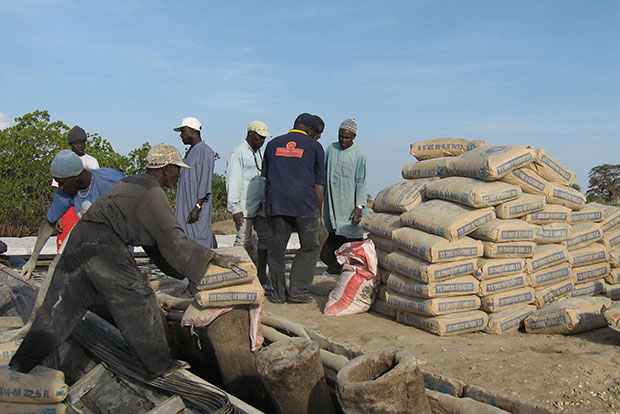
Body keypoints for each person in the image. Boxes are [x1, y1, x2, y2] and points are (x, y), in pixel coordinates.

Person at [9, 144, 238, 379]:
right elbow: (172, 237)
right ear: (167, 169)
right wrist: (213, 257)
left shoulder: (133, 181)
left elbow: (152, 237)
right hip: (103, 245)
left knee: (57, 308)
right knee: (137, 296)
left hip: (80, 240)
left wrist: (179, 268)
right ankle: (160, 365)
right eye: (177, 170)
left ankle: (19, 365)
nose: (179, 175)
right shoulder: (151, 192)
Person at [20, 150, 125, 280]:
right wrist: (33, 259)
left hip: (119, 240)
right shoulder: (65, 193)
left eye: (62, 183)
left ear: (76, 177)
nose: (60, 187)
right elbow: (49, 223)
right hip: (93, 242)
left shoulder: (112, 180)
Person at [262, 113, 325, 304]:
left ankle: (279, 294)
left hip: (277, 205)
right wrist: (319, 215)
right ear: (311, 131)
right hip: (305, 205)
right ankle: (297, 293)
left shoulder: (273, 145)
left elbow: (266, 179)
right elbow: (319, 185)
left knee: (276, 250)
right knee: (310, 246)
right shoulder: (315, 147)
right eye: (317, 133)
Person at [226, 120, 272, 287]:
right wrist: (235, 208)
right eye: (260, 137)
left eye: (264, 138)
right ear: (251, 134)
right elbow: (233, 181)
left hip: (260, 206)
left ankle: (261, 275)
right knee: (242, 242)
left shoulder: (259, 153)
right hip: (244, 208)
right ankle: (236, 277)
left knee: (265, 240)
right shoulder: (238, 153)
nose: (262, 141)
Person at [321, 118, 368, 274]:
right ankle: (333, 271)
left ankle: (350, 274)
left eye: (347, 137)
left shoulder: (359, 154)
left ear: (354, 137)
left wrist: (359, 207)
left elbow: (361, 182)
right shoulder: (330, 149)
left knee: (350, 242)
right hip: (331, 205)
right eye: (341, 136)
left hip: (349, 206)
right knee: (332, 240)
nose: (343, 140)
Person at [54, 125, 101, 250]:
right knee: (65, 246)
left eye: (82, 143)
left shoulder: (92, 161)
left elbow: (96, 188)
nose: (80, 146)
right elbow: (57, 190)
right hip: (69, 207)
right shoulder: (63, 161)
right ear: (71, 144)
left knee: (88, 244)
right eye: (76, 143)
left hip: (88, 206)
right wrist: (58, 216)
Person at [174, 117, 215, 248]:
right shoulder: (190, 152)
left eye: (183, 131)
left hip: (195, 210)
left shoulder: (206, 151)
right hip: (185, 207)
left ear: (192, 131)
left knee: (199, 243)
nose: (181, 135)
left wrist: (197, 207)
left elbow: (205, 182)